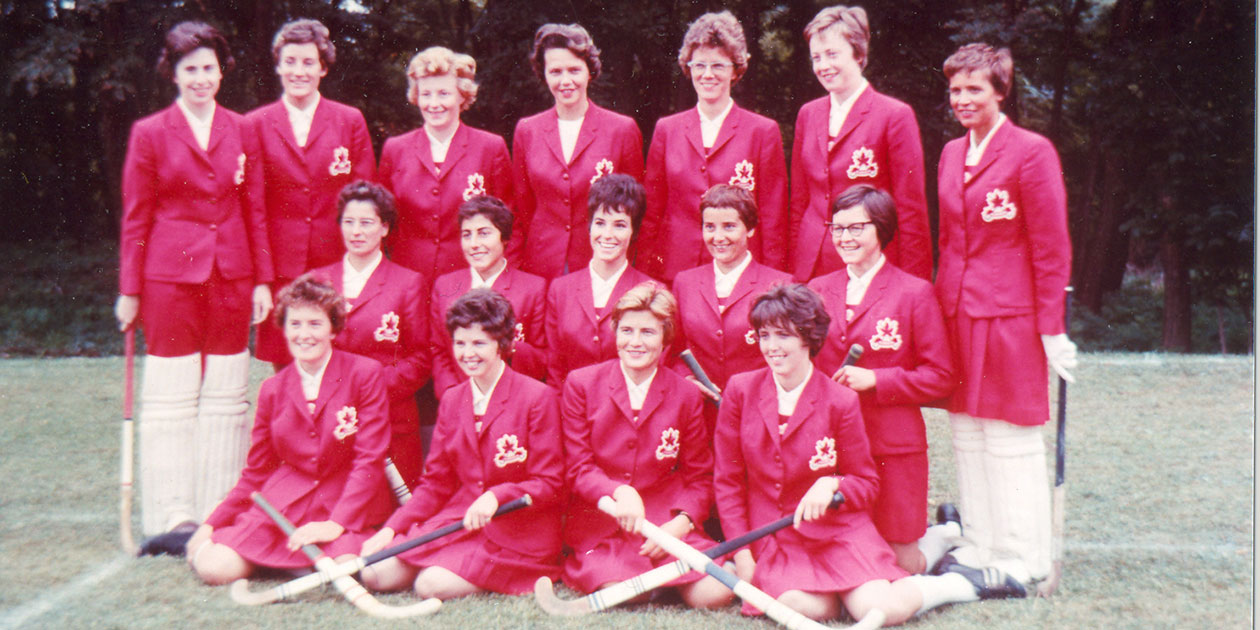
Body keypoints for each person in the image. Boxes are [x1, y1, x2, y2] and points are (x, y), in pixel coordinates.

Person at [714, 284, 1022, 626]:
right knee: (795, 607)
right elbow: (727, 481)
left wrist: (832, 484)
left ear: (808, 337)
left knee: (881, 611)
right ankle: (837, 594)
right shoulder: (740, 390)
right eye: (764, 335)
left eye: (783, 336)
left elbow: (866, 482)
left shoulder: (840, 400)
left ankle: (959, 583)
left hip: (837, 532)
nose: (771, 347)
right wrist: (742, 552)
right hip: (777, 537)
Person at [114, 21, 272, 549]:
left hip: (233, 274)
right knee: (171, 396)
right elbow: (137, 217)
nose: (201, 79)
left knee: (227, 393)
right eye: (190, 70)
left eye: (208, 68)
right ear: (173, 74)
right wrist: (129, 289)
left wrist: (263, 281)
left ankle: (217, 511)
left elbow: (255, 209)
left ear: (220, 72)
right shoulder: (151, 132)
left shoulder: (243, 128)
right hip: (168, 280)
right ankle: (170, 516)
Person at [934, 43, 1077, 587]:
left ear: (1000, 91)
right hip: (958, 313)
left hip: (1010, 317)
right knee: (967, 432)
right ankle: (982, 541)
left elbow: (1051, 248)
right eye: (955, 90)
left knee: (1008, 436)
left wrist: (1052, 330)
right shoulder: (950, 153)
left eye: (974, 89)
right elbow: (949, 241)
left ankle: (1024, 554)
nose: (963, 100)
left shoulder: (1031, 151)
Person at [186, 275, 393, 584]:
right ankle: (285, 561)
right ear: (283, 328)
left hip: (342, 505)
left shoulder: (365, 374)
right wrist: (209, 527)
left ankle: (292, 563)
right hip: (284, 507)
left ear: (333, 329)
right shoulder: (272, 388)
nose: (304, 334)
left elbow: (369, 459)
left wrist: (336, 524)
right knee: (214, 569)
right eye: (295, 324)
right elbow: (256, 473)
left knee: (351, 571)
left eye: (314, 324)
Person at [359, 290, 563, 598]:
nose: (469, 353)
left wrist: (497, 496)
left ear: (503, 345)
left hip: (519, 531)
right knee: (374, 573)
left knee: (430, 584)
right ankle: (445, 559)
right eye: (460, 343)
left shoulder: (537, 397)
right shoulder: (454, 398)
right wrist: (392, 528)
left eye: (480, 343)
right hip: (461, 519)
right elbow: (436, 483)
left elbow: (551, 483)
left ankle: (468, 569)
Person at [806, 185, 956, 574]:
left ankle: (944, 539)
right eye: (837, 229)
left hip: (892, 446)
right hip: (832, 447)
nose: (844, 238)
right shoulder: (816, 290)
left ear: (882, 229)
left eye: (856, 228)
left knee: (901, 564)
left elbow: (941, 378)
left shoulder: (914, 292)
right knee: (841, 555)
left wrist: (877, 379)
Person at [560, 282, 732, 609]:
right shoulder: (582, 384)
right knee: (625, 591)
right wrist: (619, 492)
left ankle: (670, 577)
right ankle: (656, 583)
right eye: (626, 331)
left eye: (648, 333)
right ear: (614, 333)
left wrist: (680, 524)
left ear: (665, 339)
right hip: (607, 522)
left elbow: (699, 476)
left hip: (664, 523)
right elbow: (579, 469)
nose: (635, 342)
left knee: (715, 594)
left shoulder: (685, 393)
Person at [249, 18, 376, 370]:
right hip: (281, 268)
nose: (298, 71)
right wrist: (261, 278)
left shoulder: (349, 120)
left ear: (323, 67)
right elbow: (254, 207)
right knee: (287, 365)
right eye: (290, 61)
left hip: (336, 262)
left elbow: (366, 200)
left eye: (308, 62)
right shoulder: (256, 124)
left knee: (342, 363)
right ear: (277, 65)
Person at [641, 10, 788, 282]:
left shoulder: (762, 131)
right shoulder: (667, 129)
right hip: (675, 269)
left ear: (735, 69)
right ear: (689, 67)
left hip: (741, 272)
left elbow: (773, 216)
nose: (708, 74)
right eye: (700, 65)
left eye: (718, 65)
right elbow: (652, 213)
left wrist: (774, 281)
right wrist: (645, 275)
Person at [788, 6, 931, 282]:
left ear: (858, 54)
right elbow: (800, 203)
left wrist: (915, 285)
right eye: (816, 57)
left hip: (870, 266)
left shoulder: (894, 115)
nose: (823, 66)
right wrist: (795, 268)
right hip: (812, 267)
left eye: (832, 54)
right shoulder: (808, 114)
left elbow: (911, 211)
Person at [309, 181, 428, 486]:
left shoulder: (408, 283)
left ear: (385, 228)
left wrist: (370, 390)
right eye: (349, 222)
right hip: (328, 418)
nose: (356, 231)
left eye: (366, 223)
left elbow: (421, 358)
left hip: (391, 418)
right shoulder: (317, 281)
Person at [513, 23, 644, 280]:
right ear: (544, 75)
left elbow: (636, 209)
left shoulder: (621, 129)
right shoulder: (527, 130)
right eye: (555, 71)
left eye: (574, 70)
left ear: (589, 71)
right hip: (541, 265)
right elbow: (523, 206)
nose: (566, 81)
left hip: (601, 263)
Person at [379, 46, 513, 288]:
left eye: (443, 93)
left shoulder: (490, 148)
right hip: (408, 279)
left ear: (462, 95)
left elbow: (510, 222)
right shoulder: (395, 149)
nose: (434, 103)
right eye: (426, 94)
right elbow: (383, 221)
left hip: (472, 280)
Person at [671, 183, 790, 437]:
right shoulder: (685, 282)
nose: (718, 237)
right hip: (699, 417)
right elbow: (673, 349)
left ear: (750, 229)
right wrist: (686, 381)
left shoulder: (779, 285)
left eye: (729, 226)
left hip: (758, 415)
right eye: (710, 227)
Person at [430, 195, 548, 399]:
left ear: (504, 238)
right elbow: (438, 350)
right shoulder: (445, 286)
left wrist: (508, 344)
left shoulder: (533, 289)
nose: (474, 244)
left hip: (514, 400)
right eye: (467, 235)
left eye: (484, 233)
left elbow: (542, 359)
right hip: (459, 400)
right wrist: (454, 394)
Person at [544, 173, 653, 387]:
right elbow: (555, 369)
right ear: (589, 226)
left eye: (620, 225)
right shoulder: (560, 289)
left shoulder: (651, 290)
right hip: (571, 410)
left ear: (634, 231)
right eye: (600, 223)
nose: (608, 234)